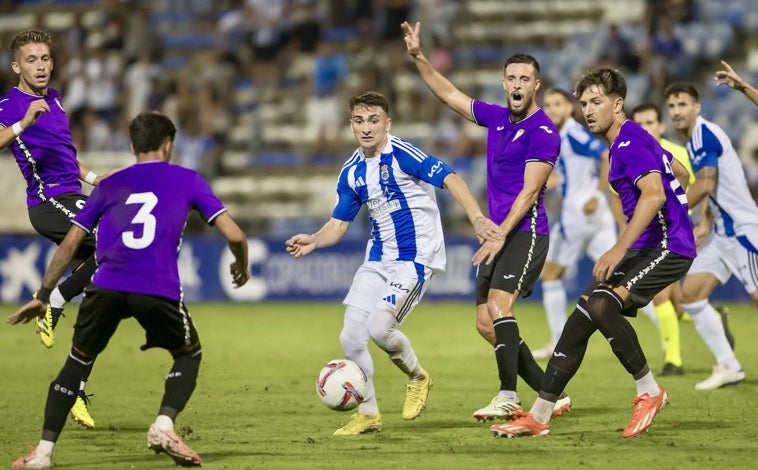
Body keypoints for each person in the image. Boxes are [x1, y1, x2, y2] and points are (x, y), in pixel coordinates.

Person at [7, 111, 250, 468]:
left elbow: (69, 246)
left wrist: (44, 296)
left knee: (76, 363)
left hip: (105, 284)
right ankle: (164, 425)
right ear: (168, 146)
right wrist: (241, 264)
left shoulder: (110, 185)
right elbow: (235, 235)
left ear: (133, 146)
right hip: (156, 287)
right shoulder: (188, 179)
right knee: (188, 354)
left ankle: (42, 453)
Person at [490, 68, 696, 439]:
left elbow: (654, 194)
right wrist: (673, 203)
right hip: (656, 242)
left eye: (596, 102)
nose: (588, 110)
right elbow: (679, 172)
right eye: (583, 103)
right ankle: (540, 414)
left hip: (667, 246)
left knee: (602, 305)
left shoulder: (629, 143)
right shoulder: (632, 139)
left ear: (618, 105)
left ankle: (649, 390)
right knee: (582, 316)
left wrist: (620, 246)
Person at [286, 91, 500, 435]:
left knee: (378, 327)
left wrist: (476, 217)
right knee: (351, 336)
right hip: (377, 259)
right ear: (351, 125)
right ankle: (368, 414)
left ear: (388, 123)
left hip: (415, 259)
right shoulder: (352, 171)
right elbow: (339, 224)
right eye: (359, 121)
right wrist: (314, 239)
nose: (366, 128)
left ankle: (418, 376)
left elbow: (451, 178)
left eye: (374, 121)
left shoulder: (403, 153)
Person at [402, 21, 571, 421]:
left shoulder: (543, 131)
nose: (517, 84)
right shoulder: (496, 118)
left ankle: (508, 394)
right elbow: (448, 94)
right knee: (485, 322)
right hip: (497, 233)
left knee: (498, 306)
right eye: (511, 77)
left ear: (536, 86)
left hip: (525, 232)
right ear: (503, 82)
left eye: (525, 79)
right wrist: (419, 57)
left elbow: (529, 193)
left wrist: (499, 236)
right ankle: (552, 393)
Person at [0, 28, 111, 428]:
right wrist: (23, 124)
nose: (41, 65)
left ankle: (75, 384)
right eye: (31, 60)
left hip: (73, 195)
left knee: (104, 297)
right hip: (48, 203)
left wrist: (100, 178)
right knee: (113, 243)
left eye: (45, 58)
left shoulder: (57, 100)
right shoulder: (9, 105)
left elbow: (70, 162)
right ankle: (54, 300)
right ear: (17, 66)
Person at [664, 82, 758, 390]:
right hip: (722, 232)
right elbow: (715, 187)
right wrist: (705, 220)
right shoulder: (694, 139)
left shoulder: (704, 135)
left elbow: (704, 186)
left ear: (697, 107)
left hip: (743, 231)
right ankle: (729, 366)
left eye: (682, 105)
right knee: (690, 295)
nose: (677, 111)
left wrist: (668, 213)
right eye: (672, 106)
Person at [533, 88, 615, 361]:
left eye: (558, 104)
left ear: (569, 108)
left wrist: (596, 194)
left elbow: (606, 155)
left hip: (578, 214)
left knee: (551, 274)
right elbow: (571, 173)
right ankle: (669, 324)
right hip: (594, 214)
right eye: (547, 105)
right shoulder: (561, 136)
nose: (552, 109)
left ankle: (558, 340)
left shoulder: (574, 132)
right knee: (619, 277)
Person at [630, 102, 691, 376]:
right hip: (650, 236)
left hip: (677, 234)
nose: (645, 128)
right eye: (639, 124)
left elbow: (690, 183)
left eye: (650, 122)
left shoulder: (676, 154)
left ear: (661, 125)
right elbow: (617, 197)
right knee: (677, 303)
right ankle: (714, 321)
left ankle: (673, 360)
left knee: (661, 295)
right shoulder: (630, 154)